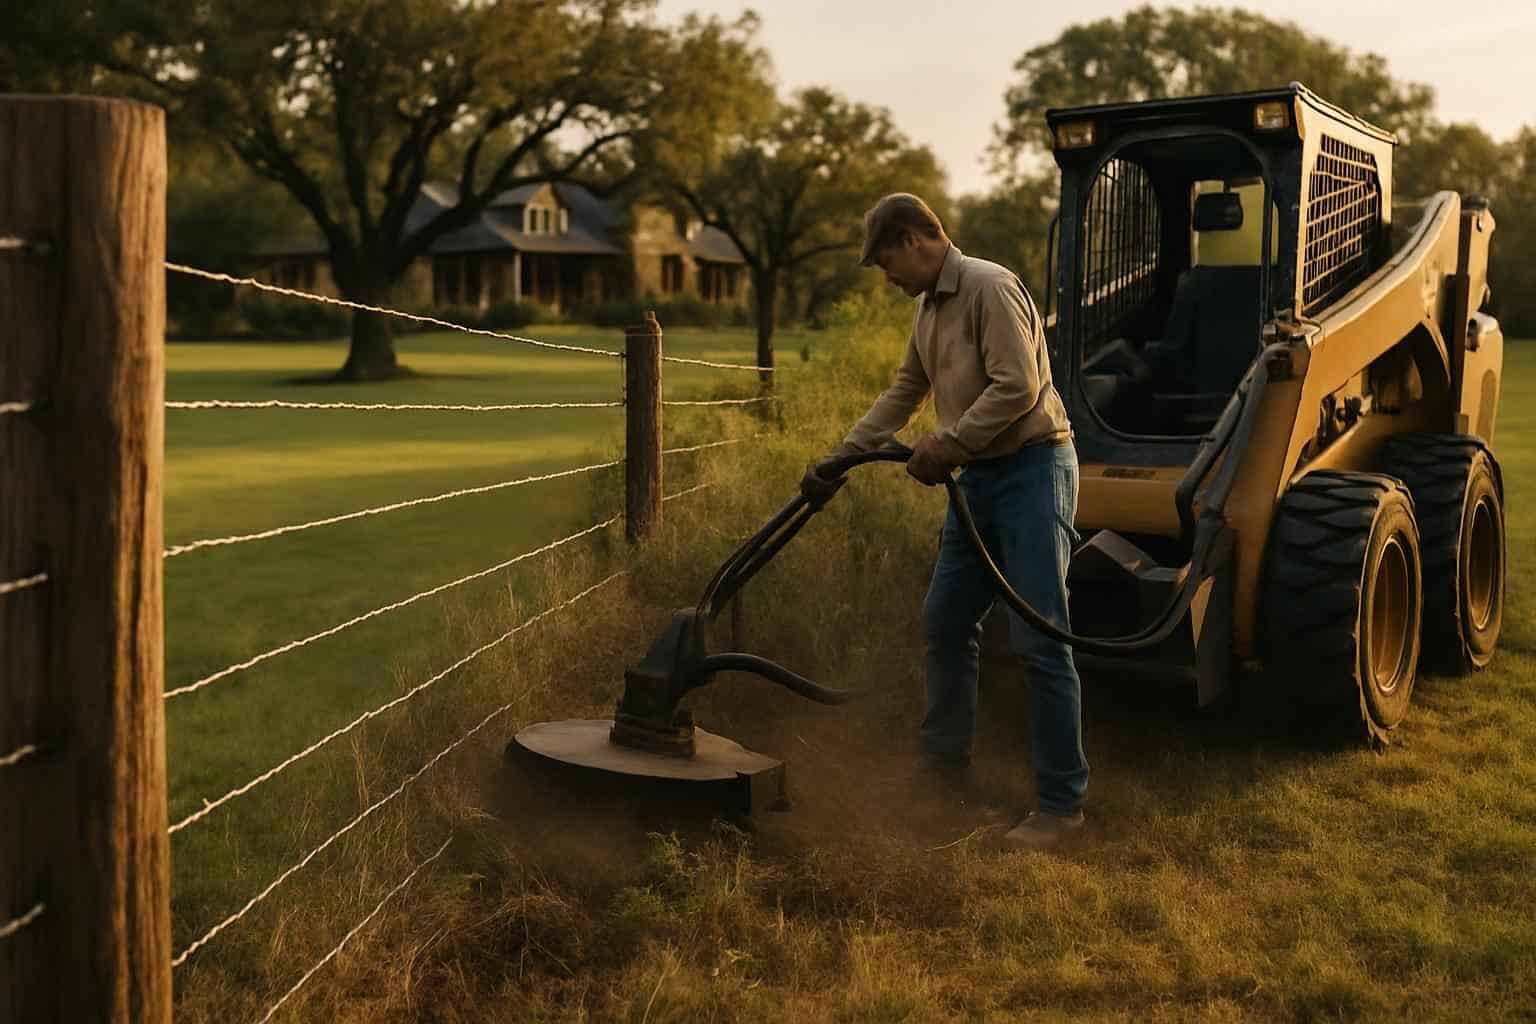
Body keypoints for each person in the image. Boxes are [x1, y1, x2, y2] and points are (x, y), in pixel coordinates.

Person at [801, 192, 1089, 851]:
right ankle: (942, 773)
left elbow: (1018, 387)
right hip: (979, 479)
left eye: (886, 263)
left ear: (912, 239)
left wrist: (949, 443)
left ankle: (1061, 805)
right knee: (946, 624)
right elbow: (906, 391)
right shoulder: (929, 309)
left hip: (1033, 469)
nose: (887, 278)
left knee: (1041, 636)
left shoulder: (990, 287)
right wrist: (840, 459)